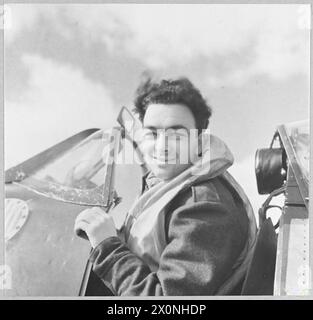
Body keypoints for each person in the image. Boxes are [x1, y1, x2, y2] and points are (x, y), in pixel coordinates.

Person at [74, 77, 257, 296]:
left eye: (176, 135)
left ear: (198, 142)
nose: (162, 147)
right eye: (152, 133)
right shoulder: (169, 185)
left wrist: (107, 246)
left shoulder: (205, 206)